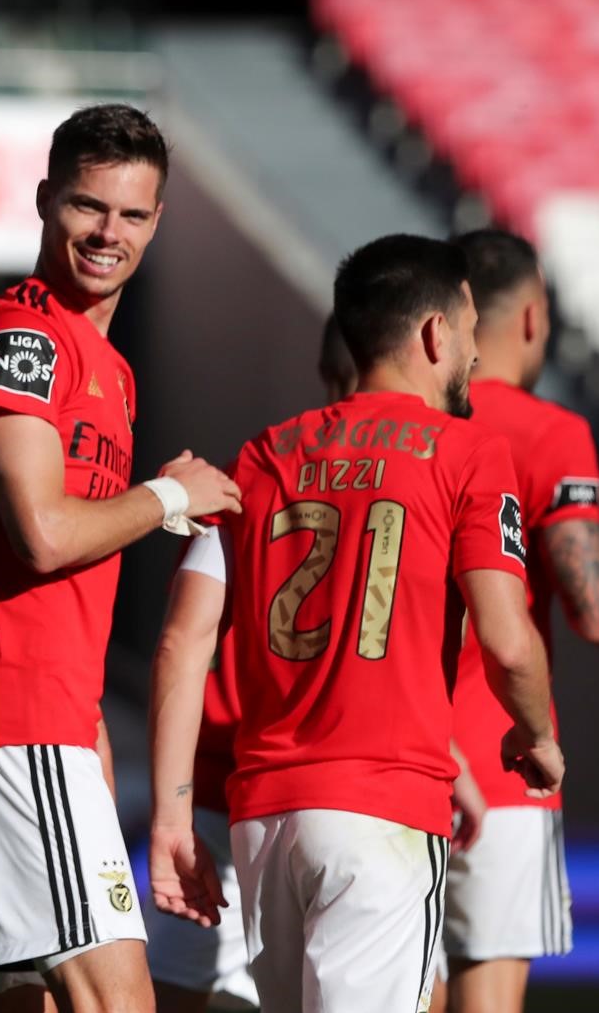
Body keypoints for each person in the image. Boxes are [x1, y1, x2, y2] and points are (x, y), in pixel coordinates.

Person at [149, 234, 565, 1013]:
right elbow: (508, 641)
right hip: (382, 809)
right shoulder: (468, 453)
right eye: (469, 331)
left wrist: (171, 809)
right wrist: (535, 731)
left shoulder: (261, 455)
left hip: (264, 813)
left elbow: (181, 639)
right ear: (435, 334)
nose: (475, 353)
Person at [0, 104, 242, 1013]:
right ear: (44, 199)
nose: (108, 233)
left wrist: (88, 727)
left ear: (158, 221)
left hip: (35, 719)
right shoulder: (21, 337)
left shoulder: (111, 368)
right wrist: (169, 498)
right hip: (9, 718)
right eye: (88, 206)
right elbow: (44, 534)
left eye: (132, 214)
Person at [144, 314, 358, 1013]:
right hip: (354, 796)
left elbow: (182, 637)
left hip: (226, 792)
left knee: (171, 993)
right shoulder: (425, 482)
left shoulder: (251, 476)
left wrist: (167, 811)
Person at [434, 229, 599, 1013]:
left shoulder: (410, 427)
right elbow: (588, 608)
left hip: (398, 761)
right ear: (530, 318)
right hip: (505, 767)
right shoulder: (551, 432)